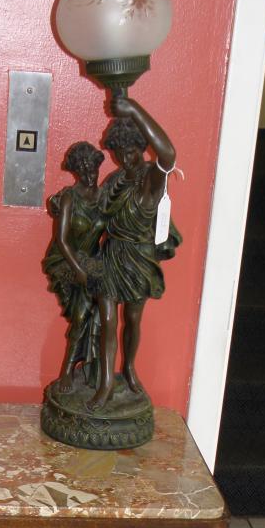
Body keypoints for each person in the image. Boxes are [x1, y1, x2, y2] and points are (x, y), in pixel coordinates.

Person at [88, 96, 182, 410]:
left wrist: (134, 110)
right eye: (118, 152)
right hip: (111, 255)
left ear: (141, 147)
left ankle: (128, 367)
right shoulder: (114, 180)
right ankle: (105, 384)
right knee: (108, 320)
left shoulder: (151, 178)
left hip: (138, 258)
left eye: (130, 151)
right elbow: (98, 220)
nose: (125, 158)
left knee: (132, 318)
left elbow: (168, 153)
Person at [42, 141, 107, 393]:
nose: (91, 176)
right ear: (76, 172)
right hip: (65, 260)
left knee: (95, 312)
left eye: (94, 171)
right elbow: (61, 240)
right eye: (85, 172)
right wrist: (79, 270)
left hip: (92, 261)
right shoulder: (70, 197)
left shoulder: (103, 197)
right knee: (81, 314)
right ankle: (67, 372)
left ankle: (91, 370)